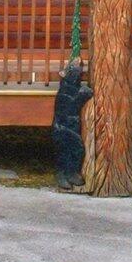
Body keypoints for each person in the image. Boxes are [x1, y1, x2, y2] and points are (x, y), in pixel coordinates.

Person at [51, 62, 93, 190]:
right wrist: (84, 93)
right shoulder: (66, 91)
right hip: (62, 127)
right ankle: (63, 175)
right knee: (67, 150)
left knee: (75, 150)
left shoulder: (73, 88)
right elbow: (76, 100)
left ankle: (71, 173)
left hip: (70, 125)